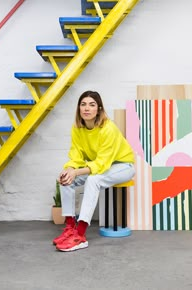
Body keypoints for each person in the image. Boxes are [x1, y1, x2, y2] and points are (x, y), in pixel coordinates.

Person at [53, 90, 135, 252]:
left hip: (123, 166)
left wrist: (77, 172)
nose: (87, 108)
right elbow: (76, 155)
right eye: (83, 104)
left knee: (93, 180)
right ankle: (70, 228)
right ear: (78, 109)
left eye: (92, 105)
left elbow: (103, 163)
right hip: (101, 166)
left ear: (99, 109)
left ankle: (80, 235)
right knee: (65, 178)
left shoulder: (108, 128)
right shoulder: (77, 128)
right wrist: (69, 169)